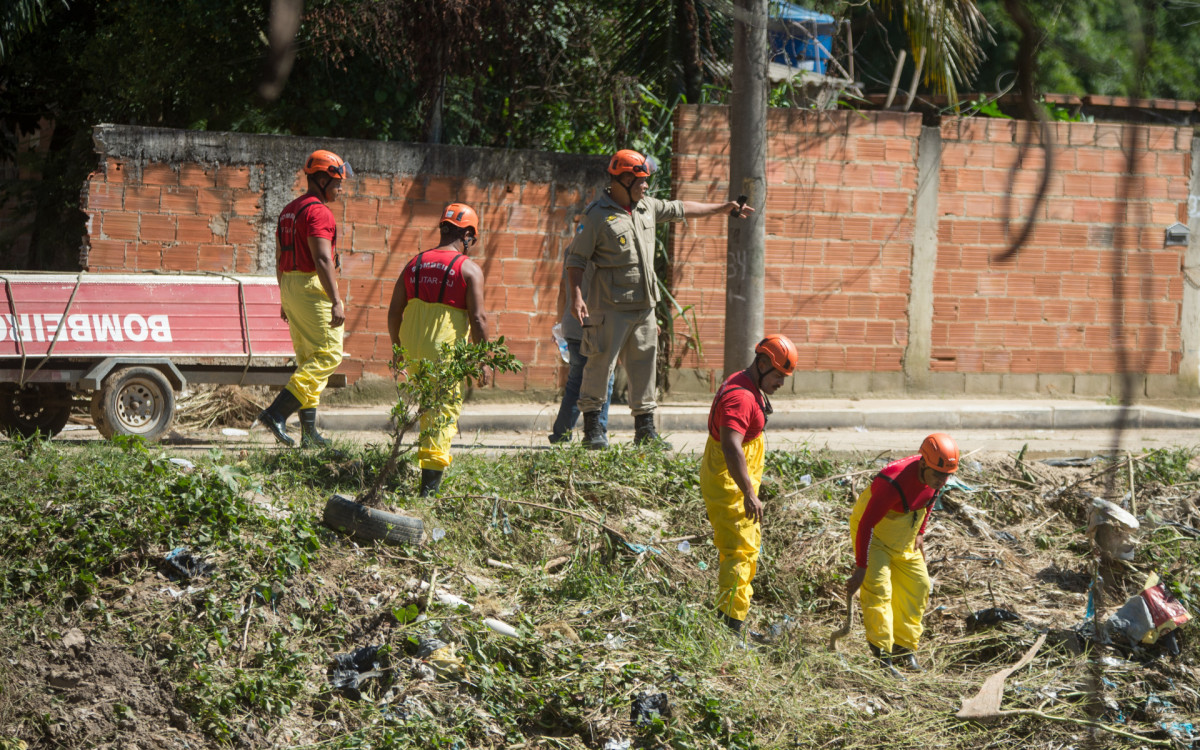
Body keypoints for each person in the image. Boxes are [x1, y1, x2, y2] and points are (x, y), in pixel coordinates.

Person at [567, 148, 754, 450]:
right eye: (641, 181)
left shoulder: (647, 207)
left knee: (644, 367)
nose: (645, 186)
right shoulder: (597, 216)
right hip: (609, 309)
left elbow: (682, 208)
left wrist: (723, 208)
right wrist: (576, 296)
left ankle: (645, 431)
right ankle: (593, 430)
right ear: (624, 180)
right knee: (600, 366)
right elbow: (576, 260)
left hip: (644, 308)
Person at [387, 203, 490, 498]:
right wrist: (483, 360)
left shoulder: (414, 263)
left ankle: (417, 471)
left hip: (411, 345)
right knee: (442, 411)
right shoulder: (468, 269)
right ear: (467, 235)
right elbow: (478, 319)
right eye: (473, 238)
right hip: (442, 349)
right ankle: (428, 492)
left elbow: (394, 311)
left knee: (425, 407)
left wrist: (397, 348)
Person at [702, 335, 797, 633]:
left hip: (732, 477)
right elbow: (731, 446)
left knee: (741, 549)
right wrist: (748, 493)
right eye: (779, 376)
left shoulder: (745, 381)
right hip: (730, 484)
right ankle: (730, 628)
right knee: (740, 552)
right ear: (763, 363)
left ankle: (729, 619)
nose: (781, 383)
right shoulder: (742, 397)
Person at [258, 149, 351, 448]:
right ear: (322, 180)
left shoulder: (289, 210)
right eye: (337, 183)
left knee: (308, 359)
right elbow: (323, 259)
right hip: (311, 287)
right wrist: (336, 299)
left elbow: (278, 257)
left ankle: (309, 433)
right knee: (328, 355)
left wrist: (284, 298)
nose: (340, 189)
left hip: (290, 285)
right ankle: (276, 413)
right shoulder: (319, 212)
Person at [846, 433, 960, 672]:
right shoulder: (892, 482)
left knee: (919, 586)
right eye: (938, 475)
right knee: (879, 592)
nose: (942, 481)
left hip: (905, 535)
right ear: (923, 464)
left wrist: (921, 532)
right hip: (874, 537)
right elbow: (866, 525)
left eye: (947, 475)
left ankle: (904, 650)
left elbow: (930, 500)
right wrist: (861, 566)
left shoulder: (934, 479)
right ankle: (883, 657)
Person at [548, 252, 613, 445]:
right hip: (596, 324)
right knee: (605, 380)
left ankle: (561, 433)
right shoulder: (605, 248)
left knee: (576, 381)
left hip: (572, 324)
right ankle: (598, 431)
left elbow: (563, 288)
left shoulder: (571, 250)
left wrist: (560, 324)